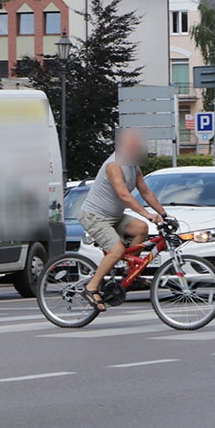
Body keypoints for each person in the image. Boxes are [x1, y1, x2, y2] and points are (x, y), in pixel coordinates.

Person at [79, 130, 168, 311]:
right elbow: (124, 195)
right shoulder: (114, 165)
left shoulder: (133, 165)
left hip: (115, 216)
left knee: (141, 229)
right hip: (95, 216)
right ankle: (91, 287)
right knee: (117, 250)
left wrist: (164, 214)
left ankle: (130, 273)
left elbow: (146, 192)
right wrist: (148, 214)